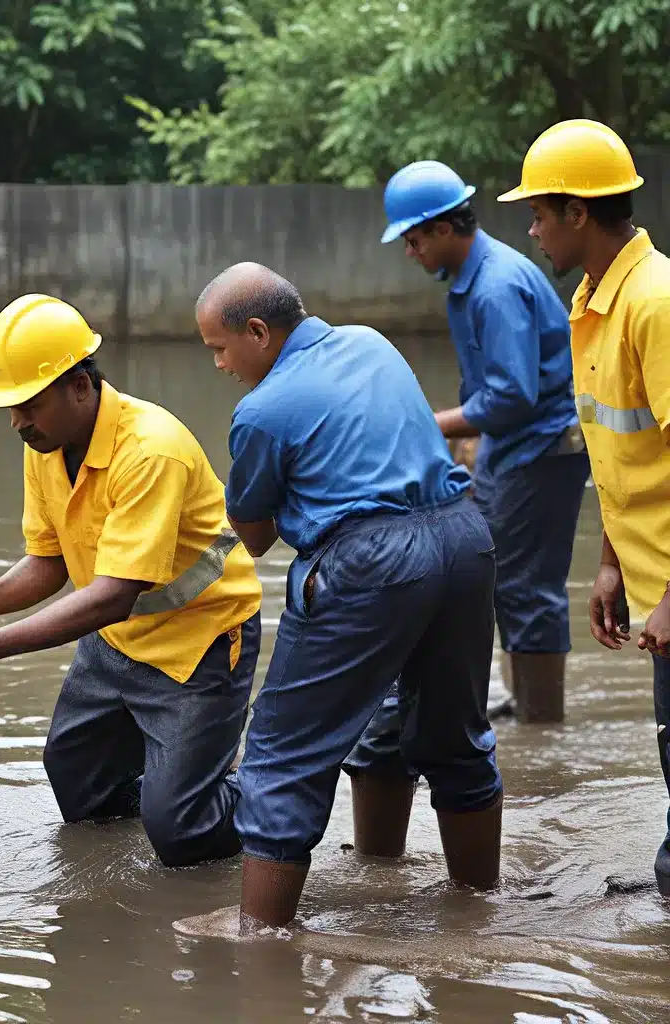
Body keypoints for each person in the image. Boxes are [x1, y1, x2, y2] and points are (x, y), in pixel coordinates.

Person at [0, 293, 263, 869]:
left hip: (198, 642)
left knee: (182, 836)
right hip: (116, 639)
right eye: (11, 408)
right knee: (82, 790)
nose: (17, 422)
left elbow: (113, 594)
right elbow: (49, 563)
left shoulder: (150, 451)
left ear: (80, 387)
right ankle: (184, 783)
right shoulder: (47, 441)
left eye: (29, 404)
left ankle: (275, 785)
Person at [193, 262, 503, 931]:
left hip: (370, 564)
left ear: (256, 332)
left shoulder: (261, 412)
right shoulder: (372, 343)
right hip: (463, 540)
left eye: (219, 348)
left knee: (281, 754)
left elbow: (253, 536)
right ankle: (479, 906)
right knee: (454, 737)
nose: (218, 364)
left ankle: (260, 942)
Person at [497, 118, 670, 899]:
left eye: (538, 213)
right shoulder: (594, 298)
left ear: (578, 212)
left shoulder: (655, 302)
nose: (531, 230)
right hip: (648, 569)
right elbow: (618, 450)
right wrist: (607, 563)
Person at [379, 160, 590, 726]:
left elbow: (512, 398)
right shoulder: (474, 280)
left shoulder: (495, 286)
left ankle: (543, 725)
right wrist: (463, 441)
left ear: (446, 229)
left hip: (541, 448)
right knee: (501, 579)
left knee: (527, 586)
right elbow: (487, 385)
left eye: (414, 238)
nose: (410, 251)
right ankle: (527, 706)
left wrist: (428, 425)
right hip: (512, 448)